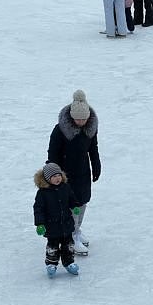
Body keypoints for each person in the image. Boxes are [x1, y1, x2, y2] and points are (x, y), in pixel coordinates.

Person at [47, 91, 101, 255]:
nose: (81, 122)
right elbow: (53, 154)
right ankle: (71, 236)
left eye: (84, 119)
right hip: (65, 175)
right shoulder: (60, 130)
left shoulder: (90, 129)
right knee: (71, 205)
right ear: (71, 117)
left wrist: (96, 165)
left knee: (83, 202)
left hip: (83, 173)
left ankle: (76, 230)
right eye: (78, 119)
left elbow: (93, 148)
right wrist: (54, 175)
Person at [33, 163, 80, 277]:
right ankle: (51, 264)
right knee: (52, 247)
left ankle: (69, 263)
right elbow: (38, 209)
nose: (57, 178)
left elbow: (71, 198)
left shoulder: (65, 187)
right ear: (47, 179)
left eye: (58, 175)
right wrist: (40, 224)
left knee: (68, 245)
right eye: (53, 176)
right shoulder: (43, 193)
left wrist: (74, 206)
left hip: (66, 223)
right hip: (52, 226)